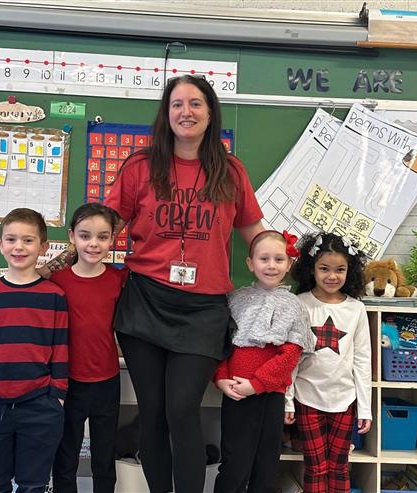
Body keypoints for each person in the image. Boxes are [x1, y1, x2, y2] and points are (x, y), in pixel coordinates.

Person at [104, 74, 264, 492]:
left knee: (181, 408)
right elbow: (105, 228)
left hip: (203, 311)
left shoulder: (230, 171)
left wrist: (301, 261)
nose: (186, 112)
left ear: (210, 113)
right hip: (144, 303)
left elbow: (257, 233)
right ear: (166, 113)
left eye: (195, 104)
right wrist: (64, 258)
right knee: (153, 411)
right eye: (177, 104)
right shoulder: (140, 167)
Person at [0, 208, 68, 493]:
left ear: (43, 247)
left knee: (33, 485)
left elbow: (60, 349)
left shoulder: (54, 297)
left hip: (40, 407)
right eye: (11, 239)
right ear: (0, 245)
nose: (18, 247)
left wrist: (56, 395)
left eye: (28, 240)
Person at [213, 230, 315, 493]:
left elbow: (290, 354)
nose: (271, 265)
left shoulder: (294, 306)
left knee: (266, 463)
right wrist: (221, 377)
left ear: (289, 263)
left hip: (269, 396)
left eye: (279, 259)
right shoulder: (235, 300)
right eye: (264, 259)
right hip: (235, 395)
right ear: (250, 263)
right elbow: (220, 343)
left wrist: (257, 384)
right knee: (234, 463)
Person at [284, 232, 372, 493]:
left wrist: (365, 408)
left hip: (344, 400)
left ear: (350, 271)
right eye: (324, 269)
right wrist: (288, 399)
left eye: (340, 269)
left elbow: (363, 360)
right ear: (311, 269)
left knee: (339, 466)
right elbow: (290, 359)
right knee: (316, 467)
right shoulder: (300, 304)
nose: (332, 276)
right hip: (307, 398)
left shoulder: (356, 309)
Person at [50, 203, 127, 493]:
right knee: (66, 452)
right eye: (85, 236)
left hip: (107, 379)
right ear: (72, 237)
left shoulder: (119, 280)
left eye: (102, 237)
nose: (93, 243)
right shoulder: (57, 283)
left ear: (111, 240)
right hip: (68, 382)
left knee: (104, 454)